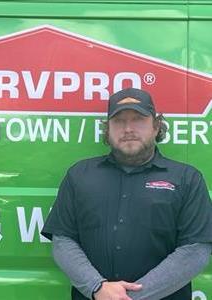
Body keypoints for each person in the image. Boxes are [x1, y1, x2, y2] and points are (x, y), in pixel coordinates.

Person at [41, 88, 212, 300]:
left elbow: (195, 251)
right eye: (119, 121)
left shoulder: (187, 179)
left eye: (138, 119)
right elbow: (63, 241)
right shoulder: (80, 175)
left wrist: (129, 297)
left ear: (156, 125)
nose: (128, 128)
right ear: (107, 129)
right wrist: (97, 287)